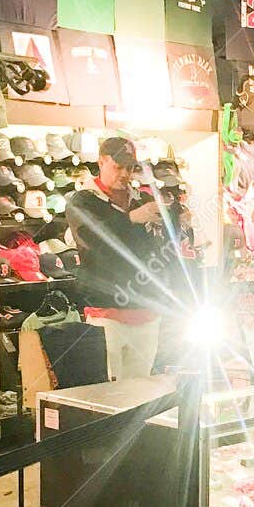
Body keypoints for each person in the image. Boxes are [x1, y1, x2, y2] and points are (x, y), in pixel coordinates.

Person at [67, 135, 164, 380]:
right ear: (101, 162)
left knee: (141, 394)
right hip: (106, 314)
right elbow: (95, 238)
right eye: (117, 166)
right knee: (109, 395)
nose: (124, 174)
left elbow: (156, 249)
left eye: (130, 168)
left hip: (146, 313)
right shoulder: (82, 201)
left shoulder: (141, 200)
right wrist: (132, 219)